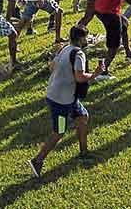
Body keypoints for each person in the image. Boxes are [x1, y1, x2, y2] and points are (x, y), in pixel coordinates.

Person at [27, 25, 105, 177]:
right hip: (61, 102)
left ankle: (83, 152)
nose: (87, 40)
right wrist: (96, 74)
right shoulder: (79, 54)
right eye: (86, 37)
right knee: (60, 131)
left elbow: (51, 67)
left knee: (82, 117)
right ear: (81, 38)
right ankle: (37, 161)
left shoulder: (64, 49)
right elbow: (80, 77)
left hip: (62, 96)